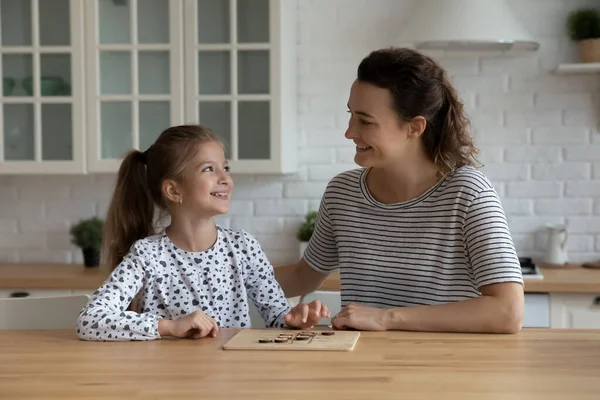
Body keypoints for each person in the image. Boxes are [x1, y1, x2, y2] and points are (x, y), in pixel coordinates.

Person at [275, 47, 524, 334]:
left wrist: (386, 318)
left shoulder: (467, 194)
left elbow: (508, 312)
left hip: (448, 370)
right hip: (363, 371)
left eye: (365, 121)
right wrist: (217, 274)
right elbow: (302, 276)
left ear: (414, 127)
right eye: (351, 115)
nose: (349, 132)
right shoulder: (342, 194)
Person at [76, 125, 329, 341]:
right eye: (209, 169)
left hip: (233, 380)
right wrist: (170, 327)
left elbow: (278, 318)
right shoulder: (147, 255)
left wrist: (295, 319)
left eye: (225, 167)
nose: (225, 178)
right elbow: (90, 319)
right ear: (174, 191)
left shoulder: (243, 247)